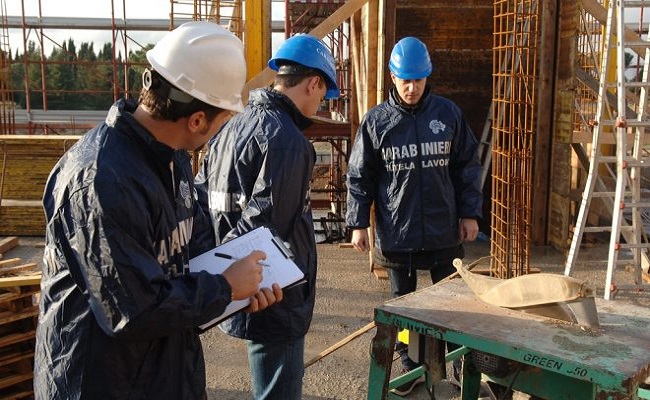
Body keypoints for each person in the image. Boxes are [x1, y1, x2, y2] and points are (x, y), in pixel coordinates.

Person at [33, 22, 283, 400]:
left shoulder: (171, 158)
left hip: (161, 373)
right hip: (100, 382)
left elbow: (185, 252)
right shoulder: (101, 181)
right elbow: (133, 311)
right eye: (223, 120)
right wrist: (225, 285)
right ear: (197, 120)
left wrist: (240, 289)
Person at [194, 33, 339, 399]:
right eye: (323, 93)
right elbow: (264, 230)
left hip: (241, 285)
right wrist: (233, 279)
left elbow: (200, 199)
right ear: (314, 82)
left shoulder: (231, 126)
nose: (321, 101)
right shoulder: (288, 140)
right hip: (272, 294)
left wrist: (217, 279)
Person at [346, 36, 483, 396]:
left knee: (453, 305)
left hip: (443, 232)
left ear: (428, 77)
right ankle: (409, 368)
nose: (412, 87)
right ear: (393, 76)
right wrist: (358, 222)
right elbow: (360, 175)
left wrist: (470, 214)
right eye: (405, 80)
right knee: (403, 310)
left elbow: (467, 167)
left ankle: (454, 363)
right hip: (398, 234)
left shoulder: (447, 115)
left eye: (418, 80)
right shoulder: (377, 122)